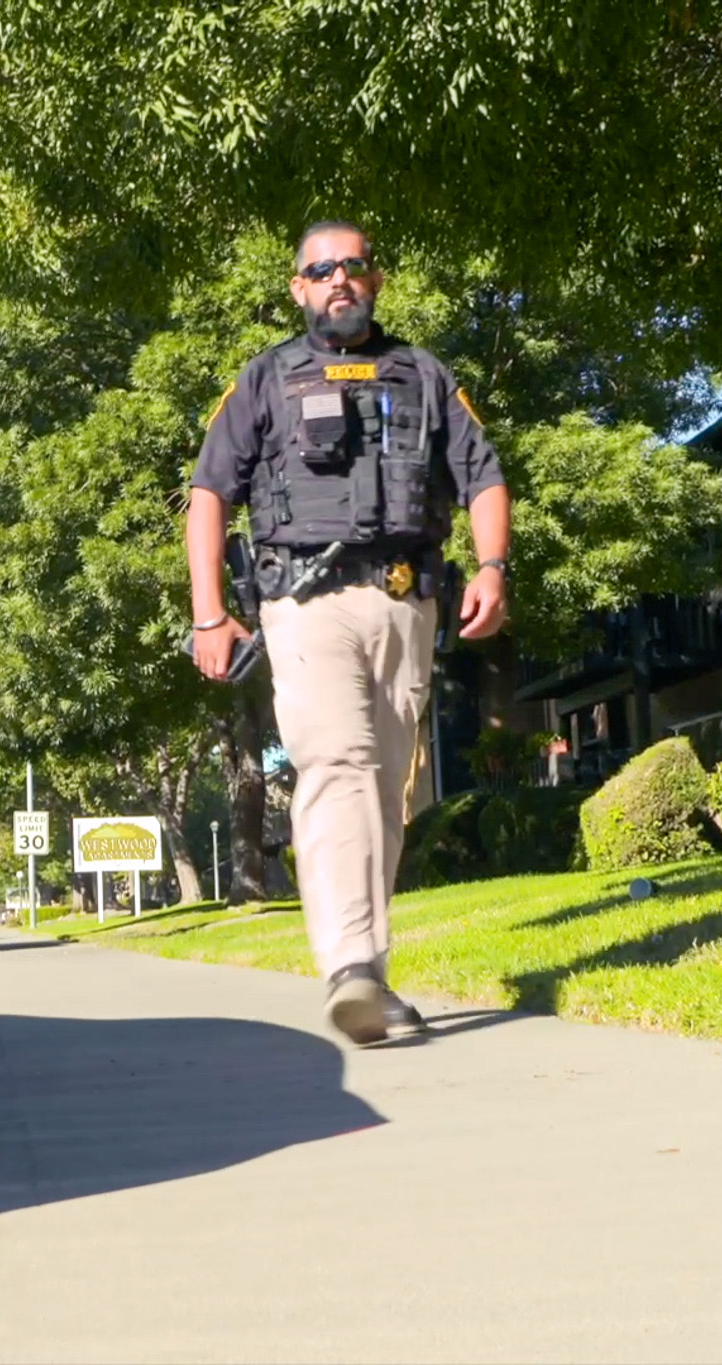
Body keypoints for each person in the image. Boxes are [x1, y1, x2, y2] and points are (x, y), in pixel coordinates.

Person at [185, 220, 512, 1045]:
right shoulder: (263, 380)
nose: (339, 279)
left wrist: (492, 566)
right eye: (320, 269)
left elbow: (484, 474)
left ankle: (371, 971)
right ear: (299, 288)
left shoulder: (427, 375)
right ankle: (351, 968)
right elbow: (209, 495)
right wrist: (208, 612)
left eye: (353, 266)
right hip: (304, 604)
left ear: (376, 280)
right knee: (338, 765)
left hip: (405, 602)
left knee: (389, 791)